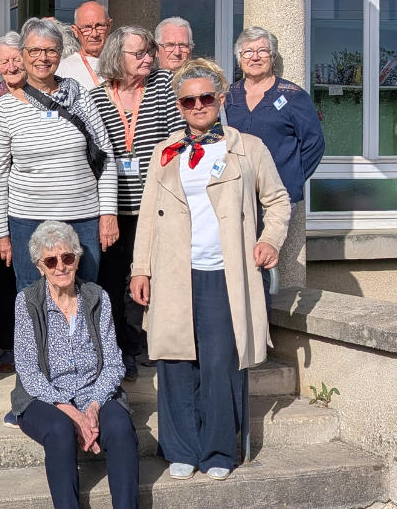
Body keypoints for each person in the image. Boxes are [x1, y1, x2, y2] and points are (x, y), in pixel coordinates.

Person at [130, 58, 291, 480]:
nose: (198, 105)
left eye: (205, 98)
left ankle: (219, 450)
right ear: (179, 106)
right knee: (176, 361)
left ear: (220, 100)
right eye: (189, 100)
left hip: (224, 272)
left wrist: (270, 240)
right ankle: (181, 448)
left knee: (220, 363)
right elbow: (148, 215)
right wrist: (140, 268)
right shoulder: (166, 151)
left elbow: (277, 201)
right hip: (173, 272)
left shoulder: (248, 147)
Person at [12, 221, 138, 509]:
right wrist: (72, 413)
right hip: (45, 397)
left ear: (77, 260)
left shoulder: (97, 297)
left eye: (67, 257)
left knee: (120, 428)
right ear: (40, 267)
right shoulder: (27, 302)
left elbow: (113, 363)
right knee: (59, 430)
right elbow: (28, 371)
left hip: (94, 391)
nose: (60, 266)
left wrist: (93, 407)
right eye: (51, 261)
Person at [0, 17, 118, 292]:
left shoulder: (79, 96)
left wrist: (108, 212)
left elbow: (105, 155)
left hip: (82, 219)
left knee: (84, 294)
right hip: (28, 221)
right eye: (35, 50)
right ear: (22, 54)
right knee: (33, 297)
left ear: (60, 53)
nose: (42, 58)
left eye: (50, 50)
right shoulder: (6, 107)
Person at [88, 27, 185, 382]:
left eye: (149, 52)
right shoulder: (96, 98)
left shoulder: (163, 86)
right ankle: (123, 349)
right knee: (114, 281)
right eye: (139, 53)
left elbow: (179, 137)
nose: (148, 58)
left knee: (157, 278)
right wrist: (106, 212)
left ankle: (158, 345)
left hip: (157, 205)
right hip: (114, 208)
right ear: (117, 57)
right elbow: (92, 155)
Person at [225, 27, 324, 310]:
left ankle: (261, 325)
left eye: (262, 51)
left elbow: (314, 144)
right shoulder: (227, 96)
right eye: (248, 52)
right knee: (233, 259)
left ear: (273, 56)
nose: (255, 57)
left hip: (272, 199)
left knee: (261, 262)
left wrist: (290, 179)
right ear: (239, 58)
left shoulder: (292, 96)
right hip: (234, 193)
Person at [0, 32, 25, 379]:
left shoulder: (41, 96)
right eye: (4, 62)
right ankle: (9, 345)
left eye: (16, 59)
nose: (11, 66)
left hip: (34, 199)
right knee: (5, 275)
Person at [56, 1, 113, 90]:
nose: (94, 34)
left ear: (109, 26)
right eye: (86, 28)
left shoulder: (123, 65)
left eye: (99, 26)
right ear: (75, 31)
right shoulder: (62, 71)